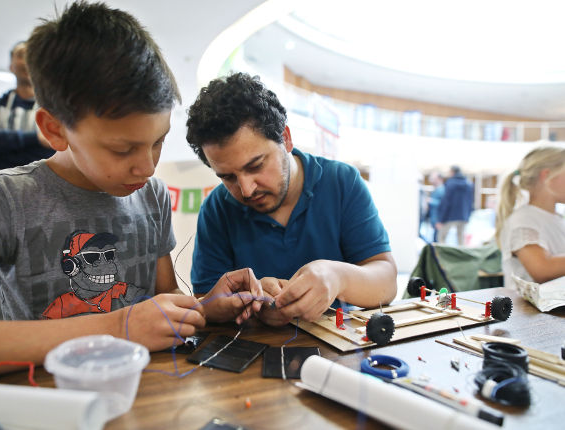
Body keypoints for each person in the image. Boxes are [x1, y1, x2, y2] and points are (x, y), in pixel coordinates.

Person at [0, 1, 262, 378]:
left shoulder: (151, 195)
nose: (147, 167)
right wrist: (116, 328)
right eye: (122, 149)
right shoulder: (0, 200)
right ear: (55, 130)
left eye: (158, 141)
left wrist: (206, 307)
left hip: (147, 396)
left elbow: (162, 300)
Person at [186, 72, 397, 326]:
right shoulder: (216, 209)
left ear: (285, 138)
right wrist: (250, 303)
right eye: (228, 177)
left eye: (256, 166)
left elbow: (387, 282)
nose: (246, 189)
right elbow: (206, 303)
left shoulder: (342, 182)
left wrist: (338, 277)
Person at [0, 41, 55, 173]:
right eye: (21, 55)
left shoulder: (55, 110)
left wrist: (0, 145)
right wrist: (36, 139)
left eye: (33, 55)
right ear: (11, 66)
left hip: (41, 189)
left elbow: (58, 149)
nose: (27, 60)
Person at [495, 146, 565, 289]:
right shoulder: (524, 220)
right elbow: (542, 269)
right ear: (546, 176)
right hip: (529, 310)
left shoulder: (558, 218)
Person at [436, 165, 474, 245]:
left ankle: (443, 256)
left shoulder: (450, 183)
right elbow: (470, 201)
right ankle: (461, 256)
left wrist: (441, 219)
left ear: (452, 172)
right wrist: (468, 216)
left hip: (450, 216)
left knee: (441, 238)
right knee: (461, 240)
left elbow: (446, 202)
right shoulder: (468, 184)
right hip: (463, 216)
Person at [427, 171, 445, 242]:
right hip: (435, 220)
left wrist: (430, 201)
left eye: (434, 178)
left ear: (439, 179)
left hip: (438, 220)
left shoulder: (442, 190)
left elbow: (443, 205)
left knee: (437, 240)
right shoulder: (437, 189)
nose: (431, 180)